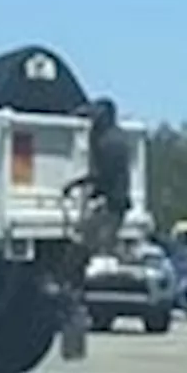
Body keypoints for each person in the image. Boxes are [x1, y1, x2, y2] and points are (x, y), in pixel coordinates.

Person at [65, 97, 133, 257]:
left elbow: (103, 175)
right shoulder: (116, 137)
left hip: (113, 204)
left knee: (91, 243)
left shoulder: (107, 141)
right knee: (88, 237)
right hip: (115, 202)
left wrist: (76, 185)